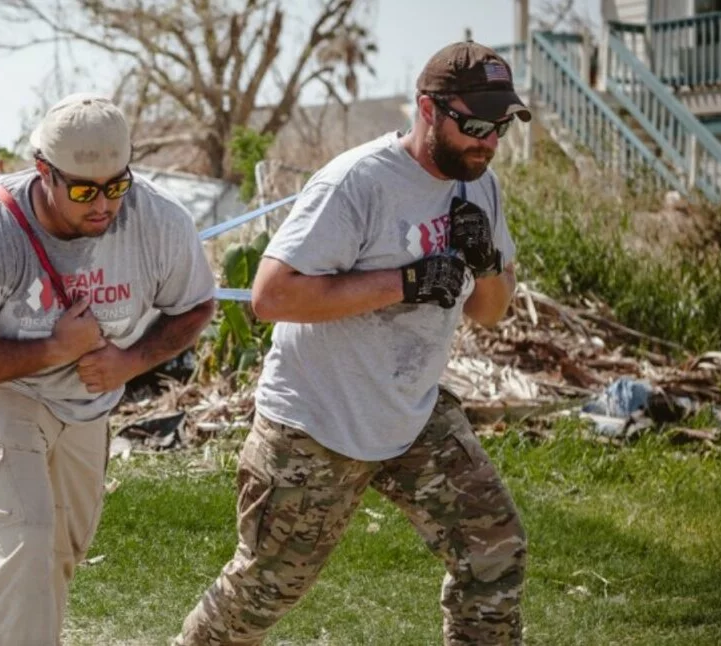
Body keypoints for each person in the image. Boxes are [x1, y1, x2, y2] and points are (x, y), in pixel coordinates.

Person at [173, 40, 529, 645]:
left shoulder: (480, 188)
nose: (487, 143)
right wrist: (407, 281)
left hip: (411, 413)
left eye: (499, 128)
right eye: (473, 125)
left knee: (494, 552)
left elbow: (491, 312)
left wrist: (485, 260)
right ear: (427, 109)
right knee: (264, 590)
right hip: (317, 423)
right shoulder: (358, 182)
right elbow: (272, 295)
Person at [0, 93, 216, 645]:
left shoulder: (160, 221)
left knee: (57, 557)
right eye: (82, 190)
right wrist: (52, 349)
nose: (102, 205)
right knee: (26, 541)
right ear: (43, 171)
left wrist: (130, 360)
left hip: (87, 400)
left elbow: (195, 306)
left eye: (116, 186)